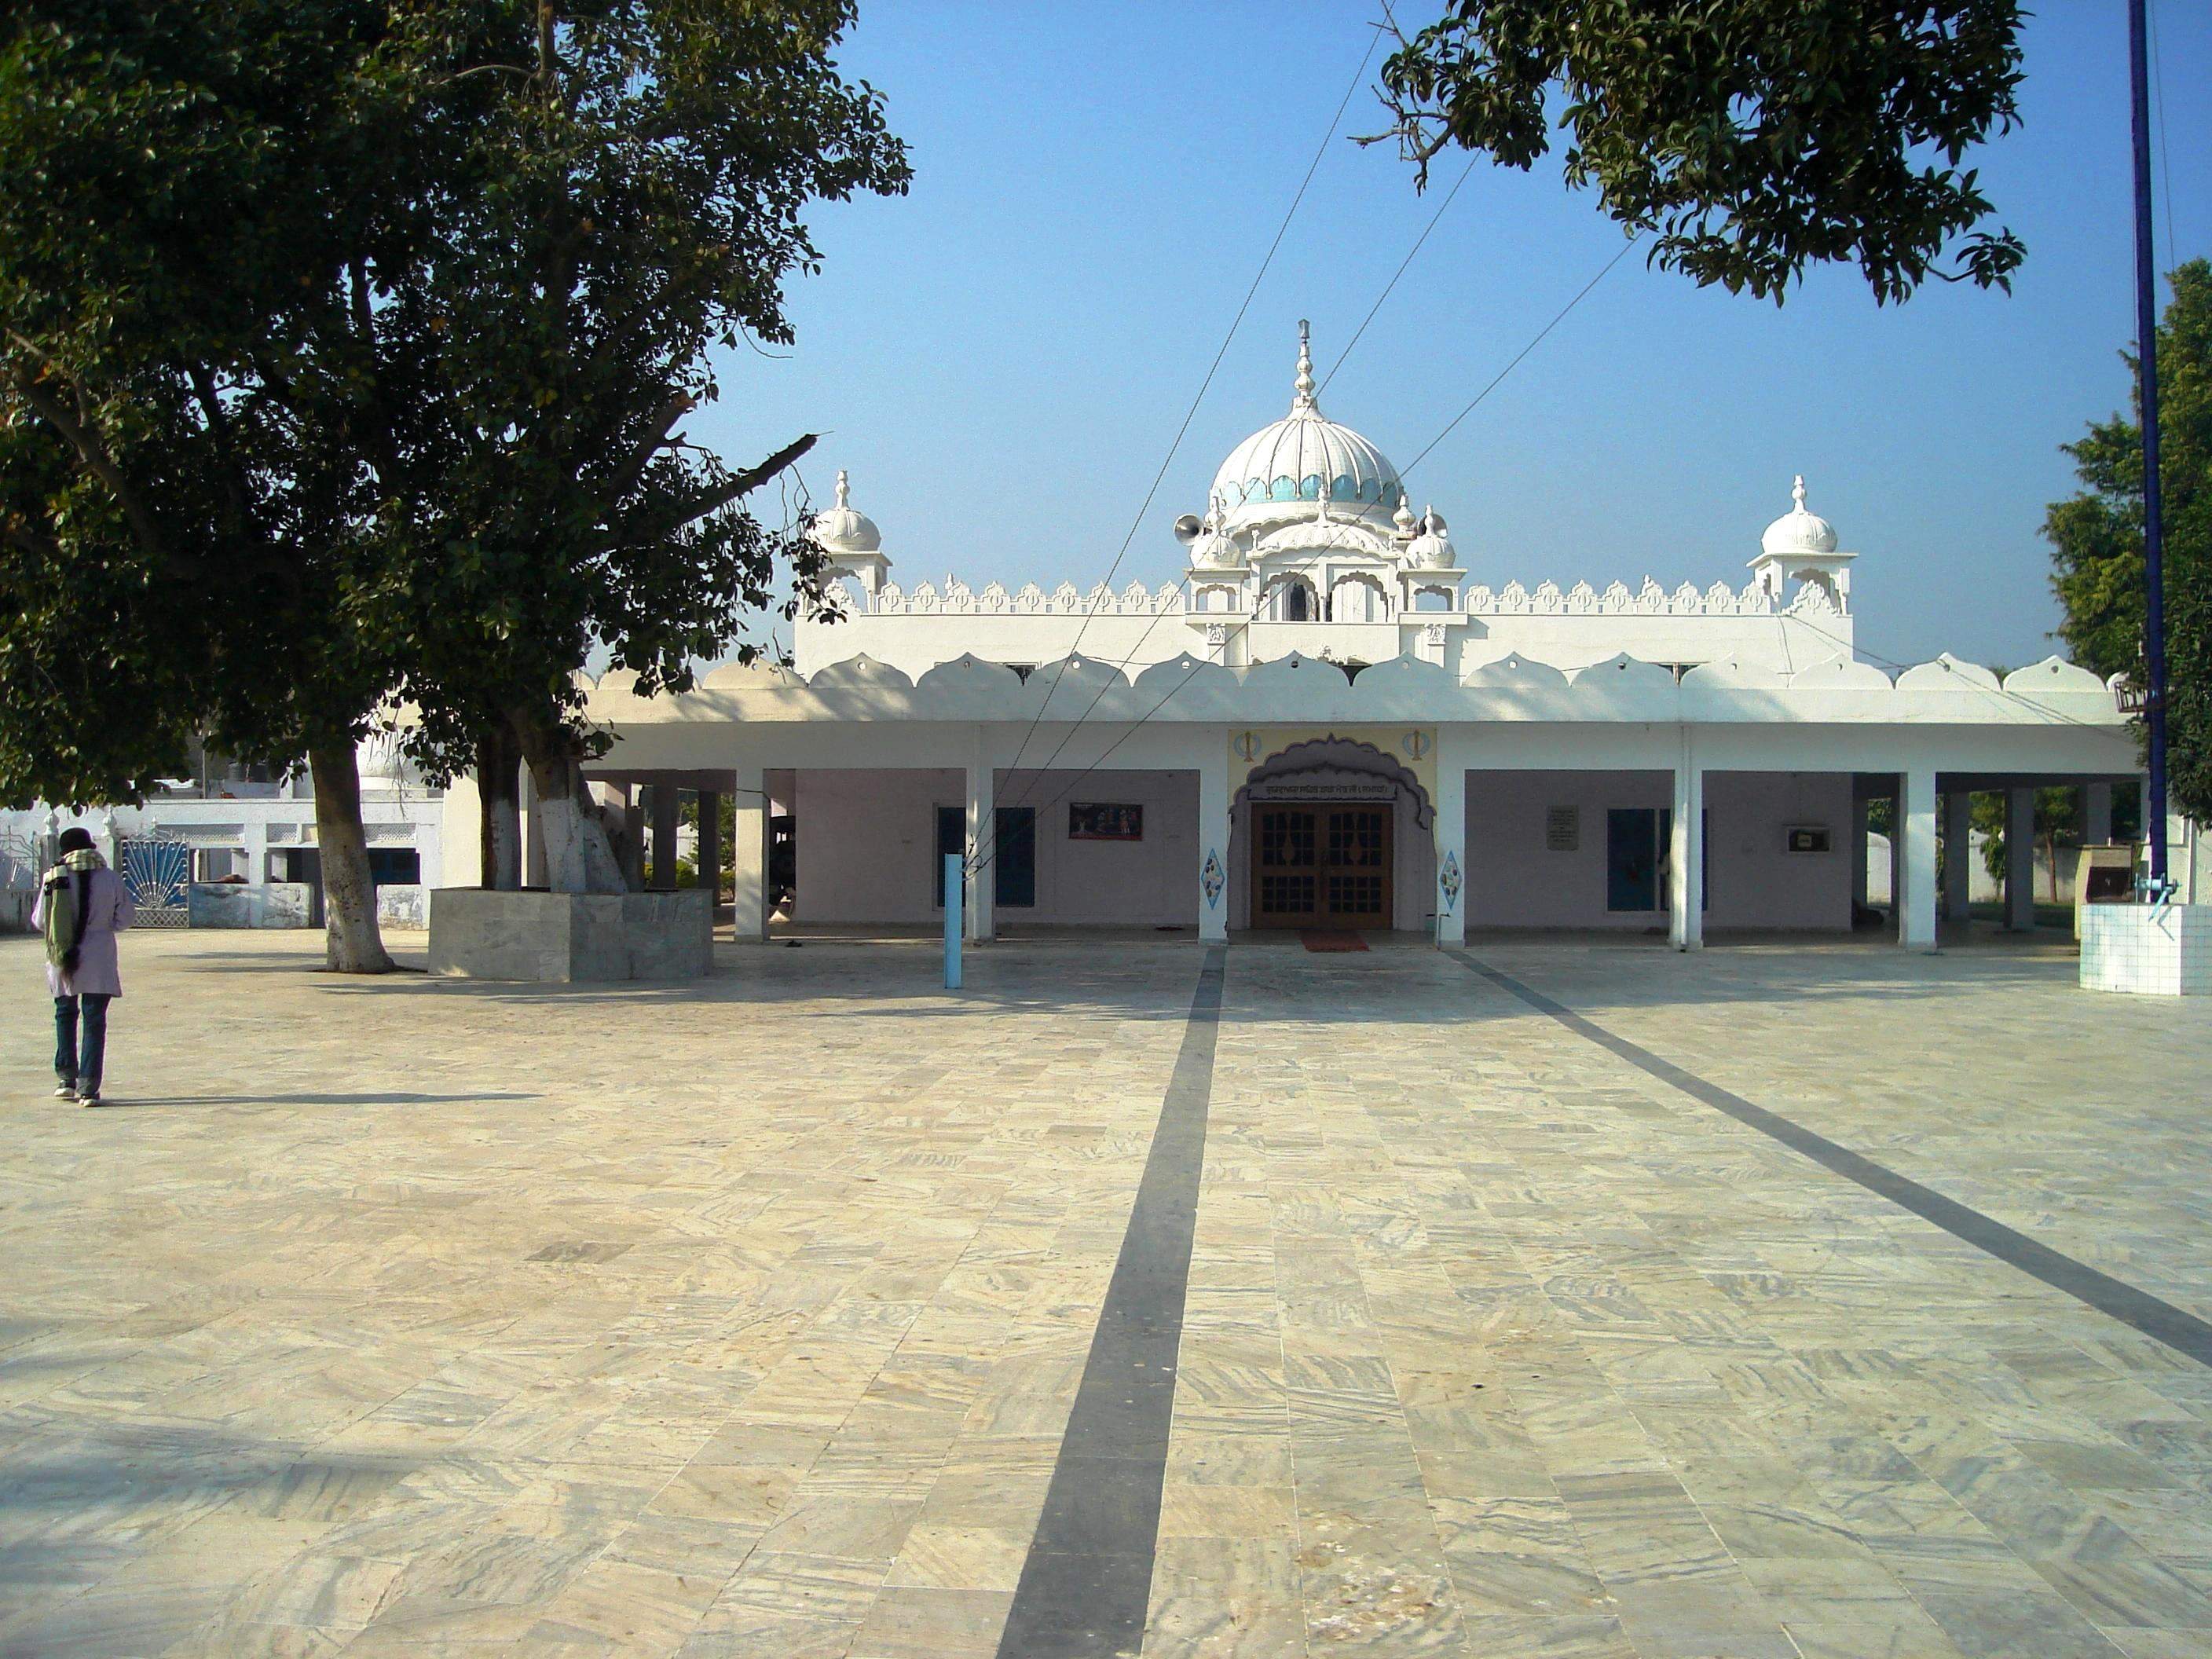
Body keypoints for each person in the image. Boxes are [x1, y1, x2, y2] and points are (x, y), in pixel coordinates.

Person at [31, 826, 134, 1105]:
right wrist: (101, 927)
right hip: (99, 953)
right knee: (94, 1019)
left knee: (65, 1013)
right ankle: (89, 1087)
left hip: (62, 952)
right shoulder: (111, 879)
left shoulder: (53, 877)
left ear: (65, 852)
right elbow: (124, 918)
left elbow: (40, 920)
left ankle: (66, 1078)